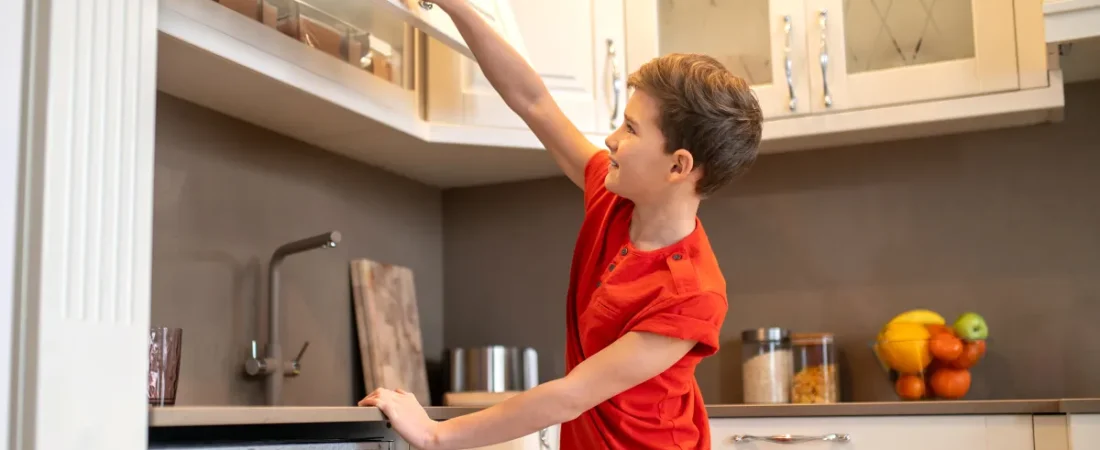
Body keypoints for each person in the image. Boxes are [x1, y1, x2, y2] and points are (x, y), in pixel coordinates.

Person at [357, 1, 763, 448]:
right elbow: (534, 102)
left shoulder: (691, 294)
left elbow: (571, 395)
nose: (611, 138)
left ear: (677, 167)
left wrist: (436, 435)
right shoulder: (612, 199)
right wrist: (458, 7)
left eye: (630, 128)